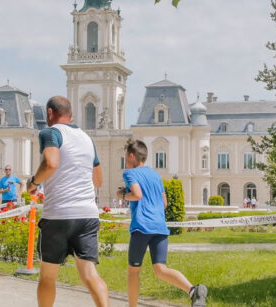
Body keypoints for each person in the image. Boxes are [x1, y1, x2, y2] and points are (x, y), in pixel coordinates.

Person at [26, 96, 108, 307]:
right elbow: (98, 180)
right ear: (71, 115)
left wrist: (33, 182)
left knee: (48, 276)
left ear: (50, 114)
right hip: (87, 215)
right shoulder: (87, 138)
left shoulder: (50, 132)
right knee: (90, 275)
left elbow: (51, 163)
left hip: (59, 216)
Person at [117, 139, 208, 307]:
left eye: (126, 156)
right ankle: (193, 290)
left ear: (131, 156)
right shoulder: (155, 175)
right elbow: (164, 203)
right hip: (159, 227)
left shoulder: (129, 173)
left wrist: (122, 195)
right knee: (161, 269)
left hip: (142, 227)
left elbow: (137, 195)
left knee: (133, 271)